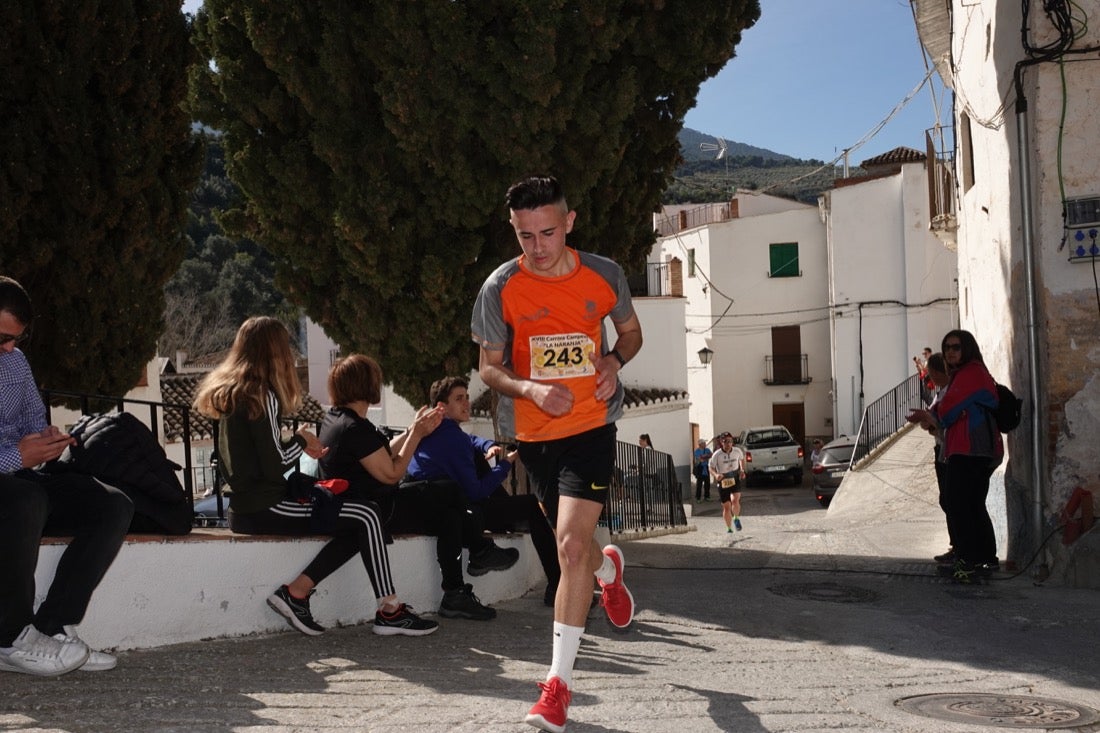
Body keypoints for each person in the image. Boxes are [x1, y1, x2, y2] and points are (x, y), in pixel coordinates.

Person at [472, 174, 642, 733]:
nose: (538, 247)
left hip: (592, 424)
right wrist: (529, 388)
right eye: (526, 236)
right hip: (536, 433)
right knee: (579, 549)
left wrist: (614, 363)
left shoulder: (605, 273)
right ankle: (609, 569)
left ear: (569, 222)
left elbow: (631, 335)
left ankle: (557, 686)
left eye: (547, 232)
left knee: (568, 546)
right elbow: (488, 368)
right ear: (514, 230)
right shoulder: (501, 288)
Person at [194, 319, 438, 637]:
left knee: (360, 524)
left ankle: (297, 593)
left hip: (246, 506)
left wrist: (296, 441)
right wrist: (301, 440)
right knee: (366, 513)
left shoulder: (237, 393)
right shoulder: (260, 395)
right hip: (265, 505)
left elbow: (259, 456)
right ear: (273, 350)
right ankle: (389, 609)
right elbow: (276, 464)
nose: (289, 356)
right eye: (284, 347)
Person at [0, 276, 134, 676]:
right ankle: (9, 639)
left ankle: (51, 628)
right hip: (13, 484)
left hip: (22, 477)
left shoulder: (15, 363)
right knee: (26, 499)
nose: (8, 348)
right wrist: (13, 457)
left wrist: (45, 439)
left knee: (112, 504)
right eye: (2, 338)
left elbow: (30, 421)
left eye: (15, 340)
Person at [319, 356, 515, 623]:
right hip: (377, 511)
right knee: (448, 490)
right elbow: (392, 473)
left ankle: (455, 593)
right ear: (364, 385)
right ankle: (480, 549)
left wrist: (413, 429)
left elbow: (383, 452)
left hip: (374, 505)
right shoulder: (354, 427)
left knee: (451, 517)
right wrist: (417, 434)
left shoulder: (341, 419)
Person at [407, 375, 562, 606]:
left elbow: (470, 439)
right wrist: (505, 465)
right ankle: (557, 586)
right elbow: (477, 491)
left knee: (480, 459)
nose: (467, 403)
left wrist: (488, 445)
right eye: (459, 399)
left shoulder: (431, 432)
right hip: (467, 512)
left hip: (432, 506)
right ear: (442, 406)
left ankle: (512, 523)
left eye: (467, 397)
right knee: (532, 506)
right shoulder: (454, 440)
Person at [907, 330, 1002, 584]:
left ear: (967, 349)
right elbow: (943, 412)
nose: (950, 351)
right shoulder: (965, 374)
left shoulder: (971, 373)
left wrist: (931, 416)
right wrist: (931, 416)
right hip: (967, 448)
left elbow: (946, 411)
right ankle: (983, 558)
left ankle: (968, 561)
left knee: (958, 503)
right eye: (947, 347)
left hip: (971, 448)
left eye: (956, 347)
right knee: (970, 503)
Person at [920, 352, 955, 564]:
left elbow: (946, 421)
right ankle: (956, 545)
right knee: (947, 499)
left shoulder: (951, 392)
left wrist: (929, 421)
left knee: (952, 500)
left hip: (950, 451)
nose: (929, 377)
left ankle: (961, 548)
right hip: (941, 449)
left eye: (930, 373)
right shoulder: (941, 392)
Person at [709, 432, 746, 533]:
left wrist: (742, 470)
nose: (728, 444)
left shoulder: (737, 451)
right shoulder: (717, 454)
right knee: (727, 507)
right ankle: (729, 528)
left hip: (734, 477)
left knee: (735, 500)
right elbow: (711, 468)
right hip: (723, 479)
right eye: (725, 441)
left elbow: (741, 460)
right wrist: (716, 475)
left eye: (730, 441)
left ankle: (736, 518)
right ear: (721, 442)